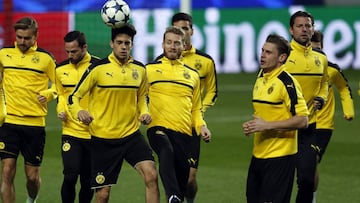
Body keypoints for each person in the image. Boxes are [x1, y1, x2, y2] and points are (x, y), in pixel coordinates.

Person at [67, 24, 159, 203]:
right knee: (102, 196)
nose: (123, 47)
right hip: (103, 139)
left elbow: (143, 97)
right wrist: (79, 112)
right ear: (111, 43)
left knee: (151, 175)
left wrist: (145, 112)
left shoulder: (140, 69)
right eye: (119, 43)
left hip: (131, 135)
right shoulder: (97, 68)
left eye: (127, 43)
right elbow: (73, 97)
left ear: (132, 44)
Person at [155, 12, 218, 203]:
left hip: (192, 127)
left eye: (185, 28)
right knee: (169, 167)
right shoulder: (158, 63)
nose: (182, 31)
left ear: (191, 31)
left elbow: (212, 92)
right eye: (178, 28)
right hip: (166, 124)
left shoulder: (205, 61)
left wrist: (199, 112)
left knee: (189, 180)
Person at [242, 34, 309, 203]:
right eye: (262, 51)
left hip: (281, 158)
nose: (263, 55)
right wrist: (254, 125)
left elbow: (303, 120)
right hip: (258, 155)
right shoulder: (261, 76)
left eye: (268, 52)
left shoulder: (287, 83)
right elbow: (264, 116)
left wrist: (267, 125)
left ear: (282, 57)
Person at [0, 17, 57, 203]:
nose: (22, 42)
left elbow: (60, 87)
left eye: (26, 38)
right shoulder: (4, 54)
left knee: (32, 177)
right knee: (7, 172)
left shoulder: (46, 58)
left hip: (34, 125)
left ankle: (32, 199)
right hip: (9, 123)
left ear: (36, 36)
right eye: (19, 37)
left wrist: (48, 94)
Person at [284, 11, 329, 203]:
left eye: (308, 26)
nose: (304, 29)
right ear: (291, 30)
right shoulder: (283, 56)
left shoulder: (321, 58)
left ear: (313, 28)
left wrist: (322, 96)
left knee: (307, 180)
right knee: (280, 181)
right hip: (283, 128)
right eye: (300, 26)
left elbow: (324, 83)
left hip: (309, 127)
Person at [56, 31, 100, 203]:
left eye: (74, 51)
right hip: (70, 131)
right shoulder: (60, 69)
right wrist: (61, 109)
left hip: (93, 133)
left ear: (84, 47)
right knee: (70, 175)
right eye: (67, 51)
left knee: (87, 180)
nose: (70, 55)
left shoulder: (98, 66)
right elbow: (61, 94)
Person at [310, 30, 355, 203]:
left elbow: (344, 88)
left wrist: (348, 110)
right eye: (313, 49)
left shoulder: (332, 69)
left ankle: (311, 198)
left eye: (319, 49)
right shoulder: (298, 67)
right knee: (299, 165)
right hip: (302, 122)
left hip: (323, 125)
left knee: (311, 161)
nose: (317, 53)